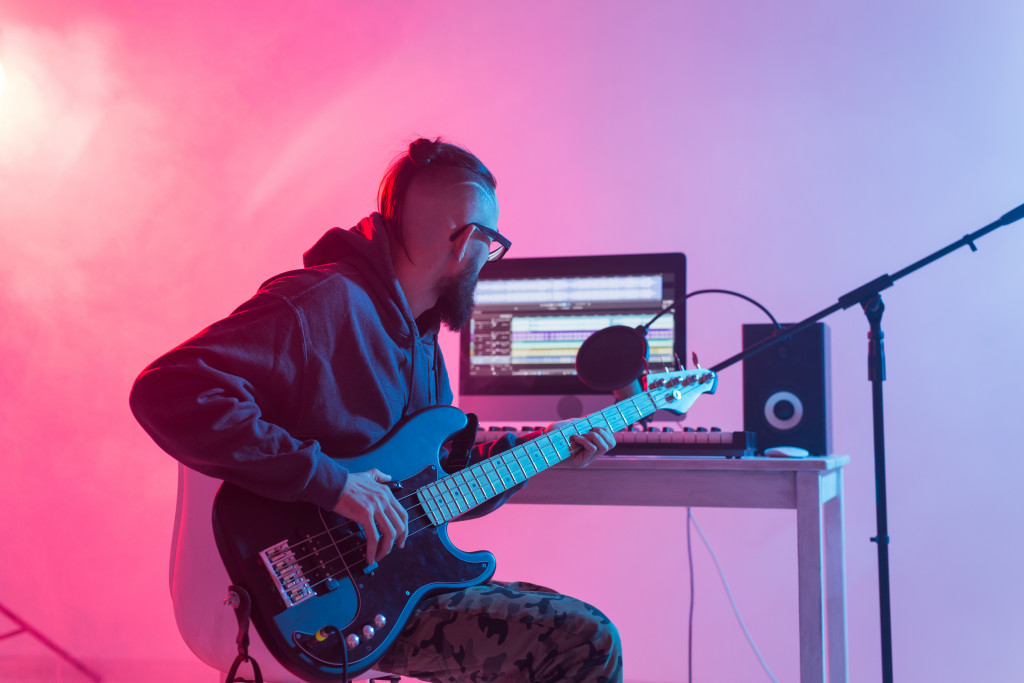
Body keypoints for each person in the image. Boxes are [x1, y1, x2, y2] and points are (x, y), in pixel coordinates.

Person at [129, 137, 623, 682]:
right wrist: (334, 484)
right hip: (315, 602)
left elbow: (432, 491)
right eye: (493, 244)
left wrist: (537, 450)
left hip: (390, 586)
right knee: (584, 640)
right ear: (466, 241)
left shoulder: (422, 343)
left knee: (555, 624)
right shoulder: (321, 303)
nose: (488, 262)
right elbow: (169, 388)